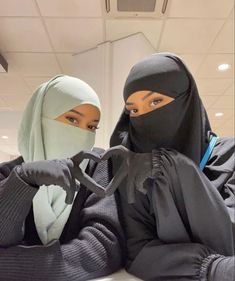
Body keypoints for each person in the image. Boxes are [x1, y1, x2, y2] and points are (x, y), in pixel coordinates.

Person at [110, 53, 235, 281]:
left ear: (186, 101)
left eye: (156, 102)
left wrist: (171, 166)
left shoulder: (230, 156)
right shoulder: (137, 169)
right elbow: (138, 253)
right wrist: (212, 268)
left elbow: (230, 239)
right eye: (134, 110)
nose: (144, 117)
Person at [0, 75, 124, 281]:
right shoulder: (8, 174)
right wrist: (22, 183)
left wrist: (9, 265)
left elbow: (102, 248)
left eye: (91, 127)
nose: (82, 134)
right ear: (40, 119)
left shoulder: (97, 167)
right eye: (72, 119)